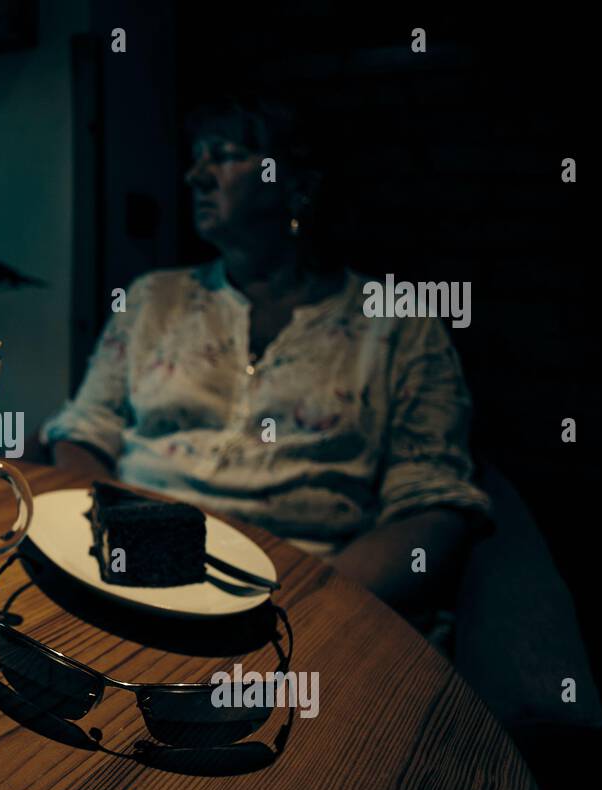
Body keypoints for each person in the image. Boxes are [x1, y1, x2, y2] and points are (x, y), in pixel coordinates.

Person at [42, 95, 490, 620]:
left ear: (299, 184)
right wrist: (130, 535)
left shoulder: (396, 322)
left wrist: (308, 608)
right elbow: (84, 429)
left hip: (304, 599)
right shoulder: (153, 300)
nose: (195, 177)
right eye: (196, 157)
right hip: (135, 573)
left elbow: (432, 503)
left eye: (225, 155)